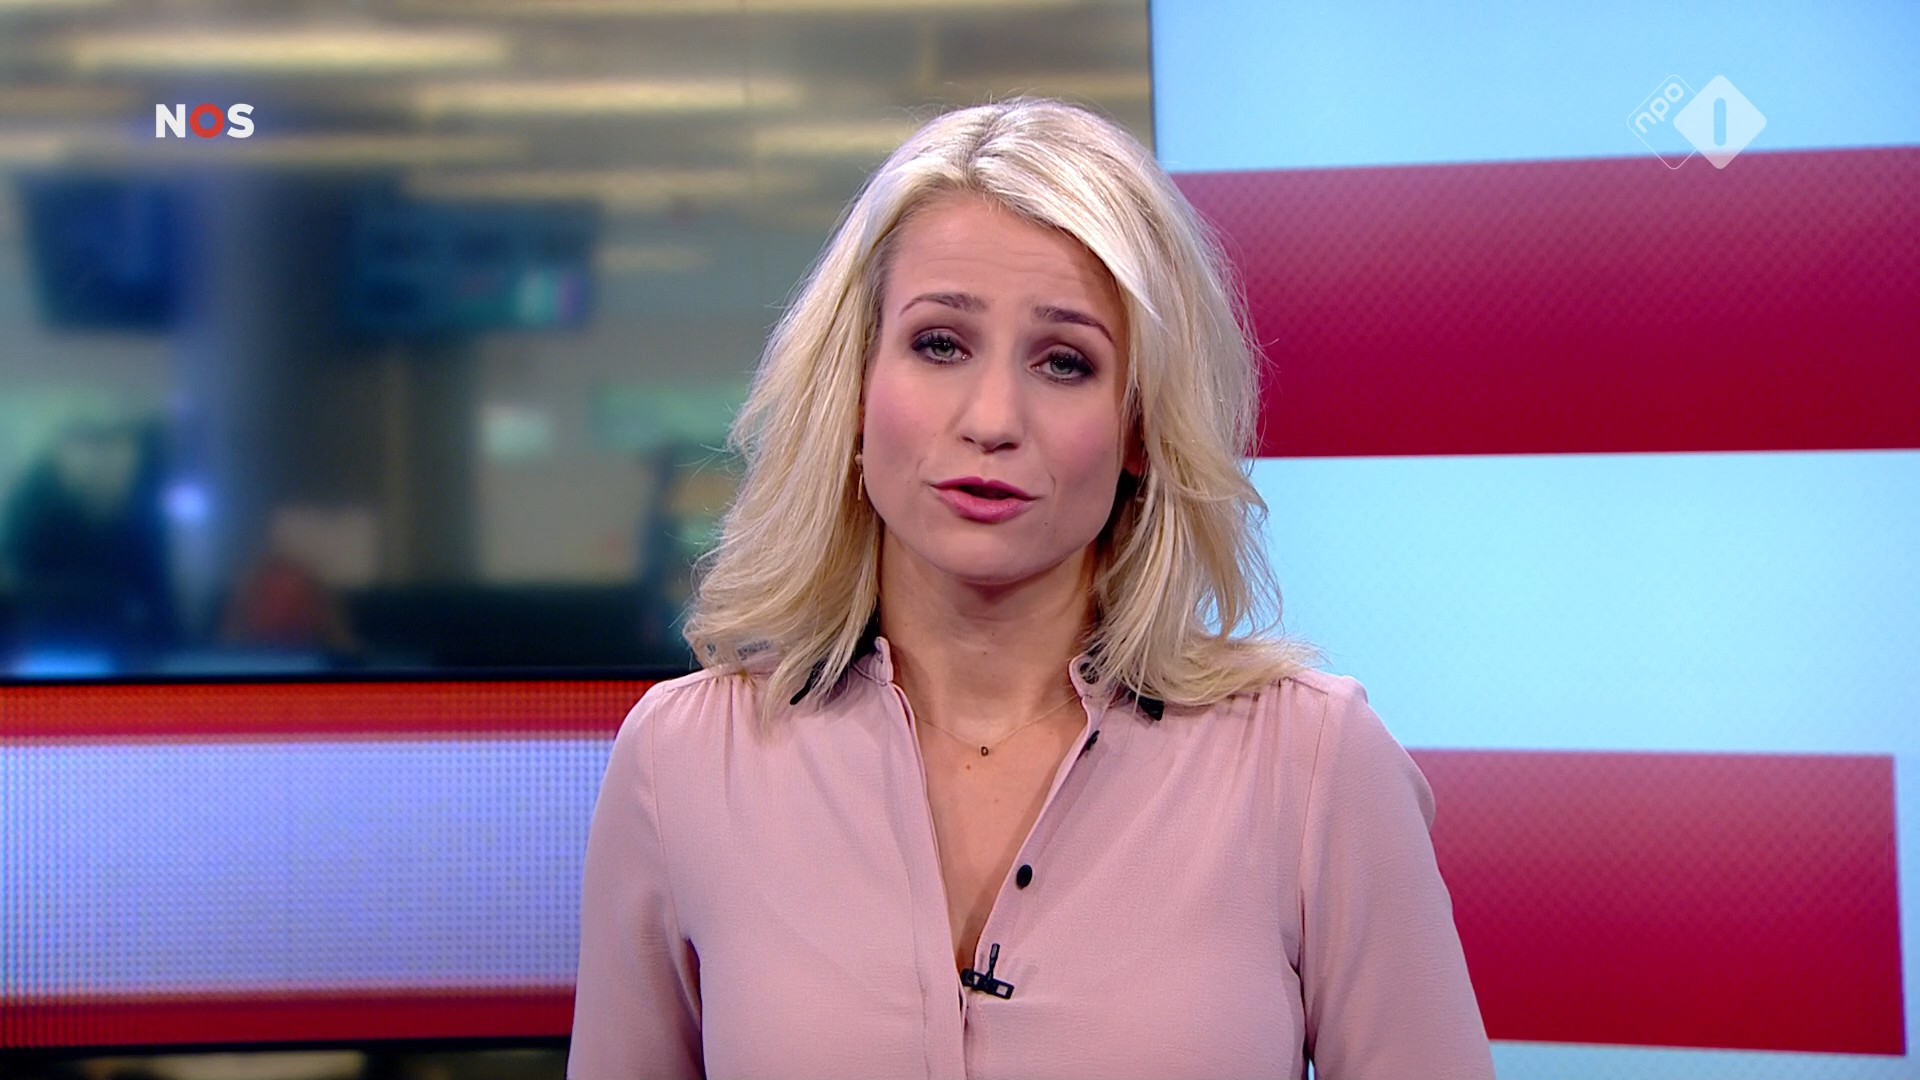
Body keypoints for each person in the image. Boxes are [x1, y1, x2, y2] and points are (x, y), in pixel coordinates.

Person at [569, 97, 1495, 1079]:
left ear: (1140, 428)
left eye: (1065, 362)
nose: (993, 419)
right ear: (854, 389)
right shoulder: (682, 762)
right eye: (939, 344)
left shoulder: (1311, 765)